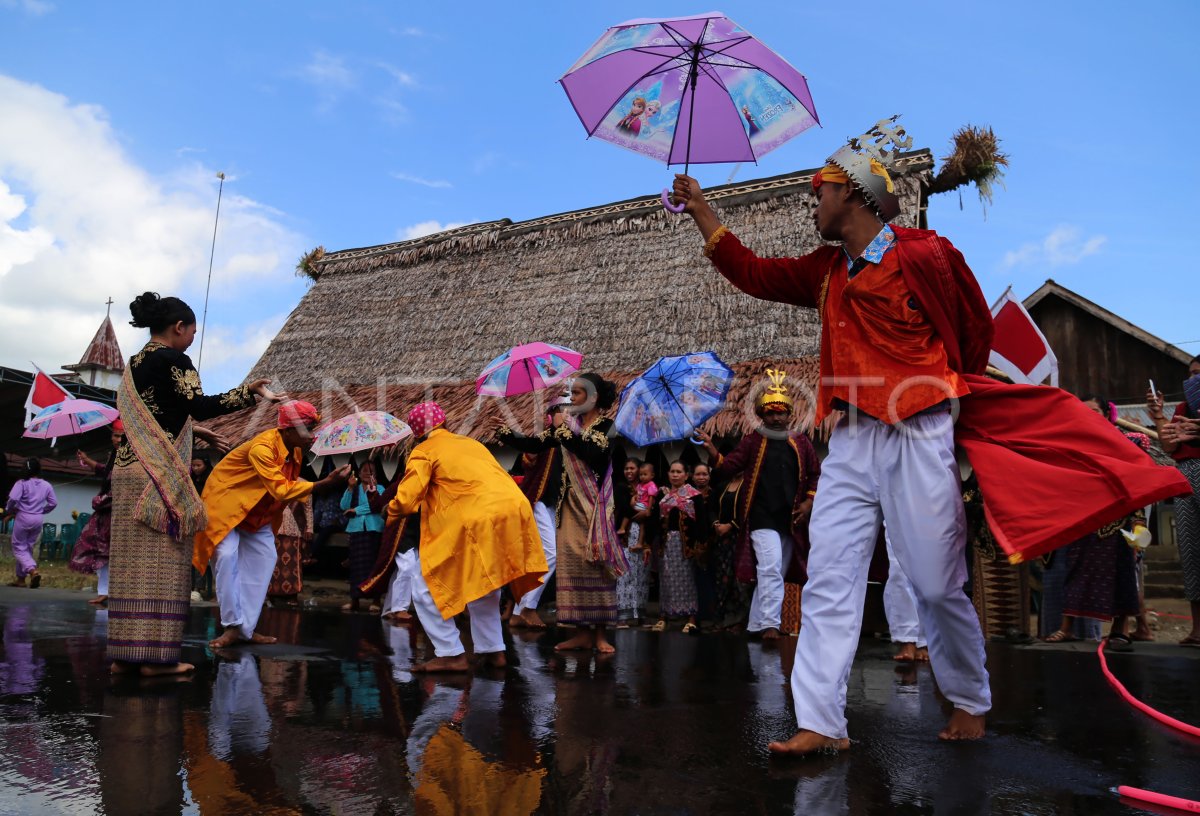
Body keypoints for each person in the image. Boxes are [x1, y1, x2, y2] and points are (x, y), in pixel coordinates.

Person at [672, 120, 1186, 753]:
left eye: (818, 193)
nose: (812, 204)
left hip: (920, 427)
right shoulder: (825, 272)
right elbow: (753, 271)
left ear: (853, 195)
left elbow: (970, 332)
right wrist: (702, 210)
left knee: (936, 581)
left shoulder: (927, 255)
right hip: (852, 440)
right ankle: (820, 722)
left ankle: (969, 698)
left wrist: (939, 392)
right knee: (831, 578)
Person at [107, 291, 272, 677]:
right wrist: (248, 393)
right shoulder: (174, 359)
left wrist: (199, 434)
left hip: (129, 470)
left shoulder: (134, 364)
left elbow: (161, 416)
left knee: (129, 568)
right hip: (159, 474)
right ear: (178, 328)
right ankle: (156, 660)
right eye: (193, 332)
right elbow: (200, 405)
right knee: (163, 564)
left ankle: (123, 654)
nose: (193, 339)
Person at [385, 402, 546, 671]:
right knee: (486, 581)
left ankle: (451, 654)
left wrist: (390, 512)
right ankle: (493, 651)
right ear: (444, 423)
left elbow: (406, 500)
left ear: (418, 434)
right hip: (513, 509)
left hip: (474, 517)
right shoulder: (471, 443)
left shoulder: (423, 451)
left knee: (425, 584)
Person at [194, 400, 349, 649]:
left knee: (264, 561)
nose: (311, 435)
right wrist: (323, 485)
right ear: (287, 431)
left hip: (259, 513)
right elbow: (280, 488)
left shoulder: (296, 450)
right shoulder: (263, 448)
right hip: (227, 507)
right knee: (225, 555)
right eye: (307, 428)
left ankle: (246, 629)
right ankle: (232, 626)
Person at [696, 369, 820, 643]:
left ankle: (755, 624)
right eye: (770, 412)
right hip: (761, 517)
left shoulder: (801, 442)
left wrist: (809, 502)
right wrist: (711, 449)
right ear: (762, 415)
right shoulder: (752, 441)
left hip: (790, 519)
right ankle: (770, 626)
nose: (776, 417)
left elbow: (814, 474)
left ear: (790, 414)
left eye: (781, 412)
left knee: (774, 571)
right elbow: (728, 467)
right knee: (770, 567)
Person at [1040, 397, 1149, 649]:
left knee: (1121, 575)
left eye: (1095, 411)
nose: (1089, 415)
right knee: (1075, 573)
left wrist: (1138, 521)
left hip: (1118, 517)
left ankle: (1119, 632)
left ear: (1107, 414)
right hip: (1083, 515)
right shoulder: (1072, 446)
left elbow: (1137, 482)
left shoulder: (1127, 443)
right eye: (1084, 411)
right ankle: (1066, 629)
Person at [546, 374, 624, 654]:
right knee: (572, 566)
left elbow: (594, 454)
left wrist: (564, 431)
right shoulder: (571, 425)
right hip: (569, 507)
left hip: (596, 507)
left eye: (577, 393)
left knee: (596, 566)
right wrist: (507, 434)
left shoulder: (607, 426)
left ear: (592, 398)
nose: (572, 399)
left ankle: (600, 634)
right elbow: (540, 444)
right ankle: (581, 633)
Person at [496, 390, 572, 630]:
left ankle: (521, 610)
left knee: (544, 555)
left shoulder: (571, 440)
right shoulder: (546, 439)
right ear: (552, 415)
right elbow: (527, 459)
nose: (568, 415)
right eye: (562, 410)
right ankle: (525, 608)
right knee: (549, 553)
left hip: (553, 504)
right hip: (536, 500)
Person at [1148, 357, 1200, 646]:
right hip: (1186, 475)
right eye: (1190, 374)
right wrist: (1158, 417)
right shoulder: (1182, 409)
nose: (1193, 380)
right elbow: (1169, 446)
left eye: (1198, 374)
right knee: (1191, 552)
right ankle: (1197, 630)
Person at [69, 419, 126, 604]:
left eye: (122, 437)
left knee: (116, 553)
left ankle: (116, 591)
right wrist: (87, 461)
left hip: (121, 513)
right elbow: (106, 472)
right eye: (115, 435)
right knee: (100, 550)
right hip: (106, 512)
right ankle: (104, 591)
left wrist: (103, 499)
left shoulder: (130, 458)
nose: (118, 440)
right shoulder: (114, 456)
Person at [652, 461, 705, 634]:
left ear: (686, 475)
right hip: (667, 543)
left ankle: (691, 618)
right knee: (666, 580)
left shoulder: (694, 496)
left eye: (678, 472)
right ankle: (664, 616)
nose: (675, 475)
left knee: (688, 579)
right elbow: (656, 520)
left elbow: (701, 522)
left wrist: (699, 544)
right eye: (672, 471)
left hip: (686, 544)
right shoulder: (663, 496)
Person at [3, 458, 55, 588]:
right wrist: (42, 510)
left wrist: (8, 510)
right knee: (28, 548)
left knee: (18, 547)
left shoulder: (21, 483)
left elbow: (13, 499)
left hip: (23, 518)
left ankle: (32, 571)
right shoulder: (46, 485)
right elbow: (53, 503)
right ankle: (21, 580)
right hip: (38, 519)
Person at [341, 461, 385, 613]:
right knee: (356, 566)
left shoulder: (379, 489)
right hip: (357, 530)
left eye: (371, 471)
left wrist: (356, 510)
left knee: (374, 566)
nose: (368, 473)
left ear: (376, 474)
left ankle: (376, 600)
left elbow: (376, 506)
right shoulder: (354, 489)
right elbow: (344, 506)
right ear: (358, 474)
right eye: (365, 471)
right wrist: (350, 487)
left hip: (374, 530)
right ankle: (355, 600)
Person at [614, 457, 652, 627]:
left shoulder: (646, 487)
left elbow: (653, 506)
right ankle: (622, 615)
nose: (629, 471)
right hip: (626, 535)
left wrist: (648, 511)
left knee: (641, 574)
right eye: (626, 468)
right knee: (625, 573)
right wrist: (643, 511)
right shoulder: (622, 488)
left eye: (632, 468)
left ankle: (640, 614)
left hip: (642, 534)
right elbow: (623, 507)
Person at [267, 496, 311, 607]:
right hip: (272, 528)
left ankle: (292, 595)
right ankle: (270, 594)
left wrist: (309, 528)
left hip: (294, 529)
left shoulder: (302, 484)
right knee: (271, 563)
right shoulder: (275, 481)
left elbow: (308, 508)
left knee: (292, 565)